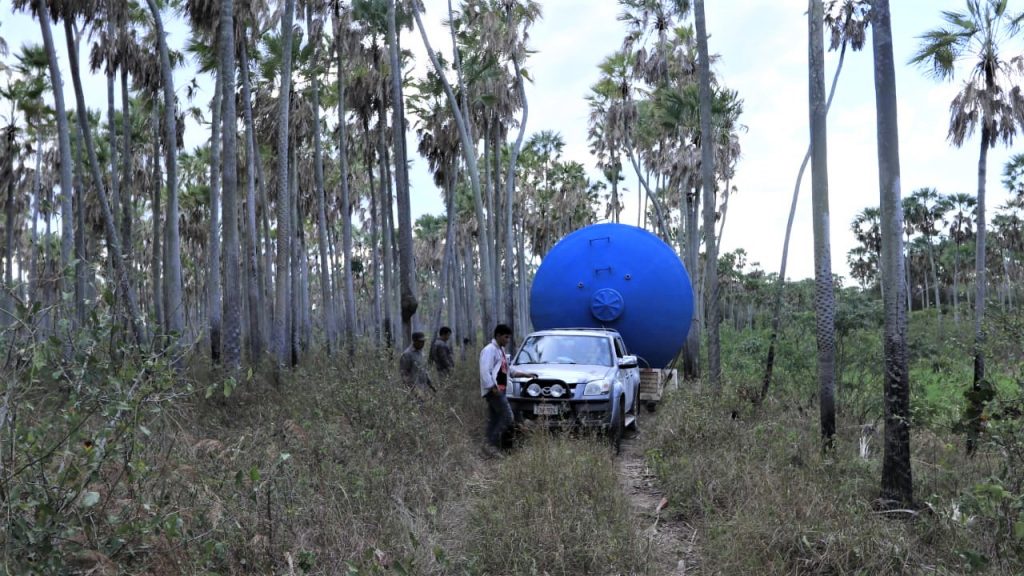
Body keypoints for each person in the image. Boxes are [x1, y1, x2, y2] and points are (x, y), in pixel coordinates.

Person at [479, 324, 536, 456]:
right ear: (498, 335)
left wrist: (526, 374)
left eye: (509, 337)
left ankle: (487, 446)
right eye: (506, 337)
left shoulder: (501, 350)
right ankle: (492, 446)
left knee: (494, 419)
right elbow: (484, 371)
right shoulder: (489, 350)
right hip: (495, 391)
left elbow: (508, 370)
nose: (507, 340)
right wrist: (493, 387)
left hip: (501, 390)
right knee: (507, 417)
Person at [399, 331, 434, 398]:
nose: (423, 343)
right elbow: (404, 374)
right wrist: (414, 390)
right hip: (414, 391)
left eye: (423, 341)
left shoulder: (421, 352)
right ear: (414, 341)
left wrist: (430, 384)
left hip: (424, 388)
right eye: (420, 341)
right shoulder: (407, 354)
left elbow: (424, 370)